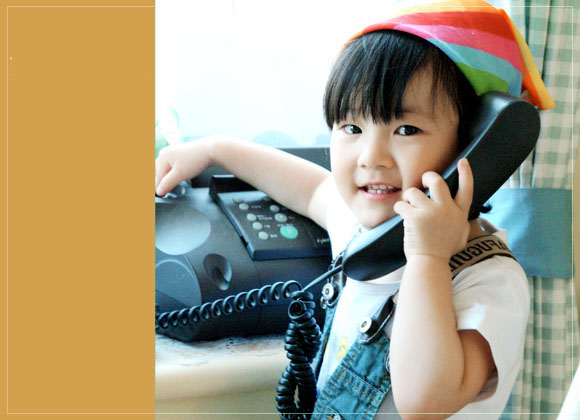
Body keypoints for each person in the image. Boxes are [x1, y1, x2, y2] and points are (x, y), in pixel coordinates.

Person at [155, 1, 554, 418]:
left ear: (475, 142)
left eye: (406, 129)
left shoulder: (490, 281)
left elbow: (424, 400)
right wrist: (215, 149)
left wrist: (429, 258)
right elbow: (311, 188)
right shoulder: (363, 230)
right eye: (352, 128)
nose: (371, 157)